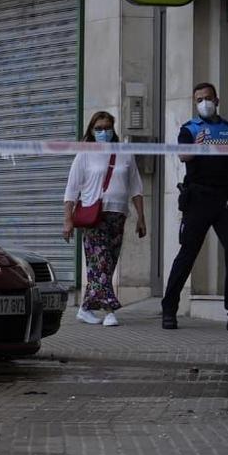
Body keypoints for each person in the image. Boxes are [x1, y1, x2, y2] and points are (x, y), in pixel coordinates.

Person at [159, 81, 228, 332]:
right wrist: (197, 147)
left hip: (226, 201)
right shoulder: (190, 129)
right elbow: (183, 156)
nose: (204, 103)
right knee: (187, 255)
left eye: (208, 98)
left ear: (217, 100)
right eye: (199, 99)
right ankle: (169, 308)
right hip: (199, 199)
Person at [60, 110, 146, 326]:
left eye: (107, 128)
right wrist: (68, 220)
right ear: (91, 130)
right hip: (93, 216)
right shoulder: (85, 154)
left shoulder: (124, 153)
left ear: (113, 129)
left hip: (118, 215)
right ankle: (109, 310)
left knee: (107, 264)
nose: (103, 132)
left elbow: (136, 187)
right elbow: (71, 189)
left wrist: (141, 217)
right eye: (98, 129)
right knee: (100, 262)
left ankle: (85, 308)